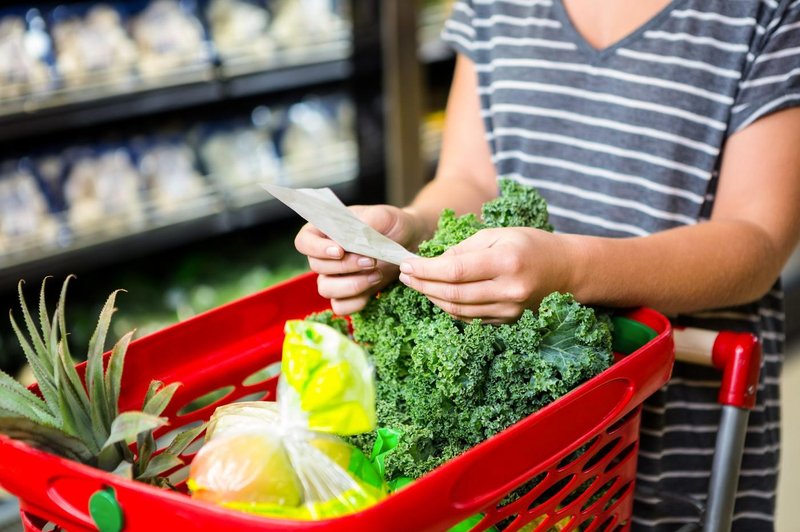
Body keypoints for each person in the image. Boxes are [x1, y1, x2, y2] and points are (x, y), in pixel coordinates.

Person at [295, 0, 800, 529]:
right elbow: (471, 180)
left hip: (677, 431)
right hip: (516, 453)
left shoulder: (763, 13)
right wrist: (412, 226)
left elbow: (758, 241)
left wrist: (570, 272)